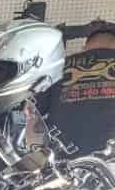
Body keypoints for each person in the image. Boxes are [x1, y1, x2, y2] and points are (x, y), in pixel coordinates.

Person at [45, 21, 115, 156]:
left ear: (85, 48)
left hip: (67, 162)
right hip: (110, 160)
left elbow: (32, 112)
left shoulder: (57, 68)